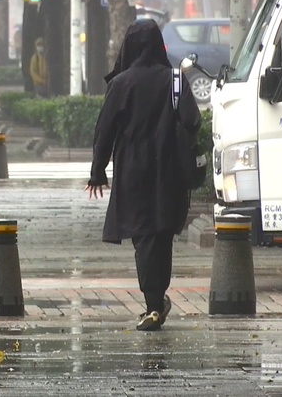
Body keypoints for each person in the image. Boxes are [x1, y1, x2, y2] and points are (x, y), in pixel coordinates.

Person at [85, 20, 201, 332]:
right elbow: (192, 120)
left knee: (143, 237)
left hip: (133, 173)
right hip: (169, 172)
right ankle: (156, 299)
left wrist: (98, 172)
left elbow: (105, 131)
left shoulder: (121, 84)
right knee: (161, 236)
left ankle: (153, 304)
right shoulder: (175, 79)